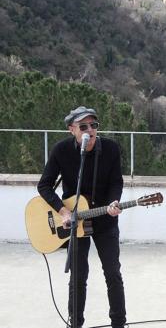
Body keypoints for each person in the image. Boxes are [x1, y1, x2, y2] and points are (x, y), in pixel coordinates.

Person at [37, 106, 126, 328]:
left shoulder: (112, 149)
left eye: (94, 125)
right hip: (74, 221)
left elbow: (117, 181)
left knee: (113, 273)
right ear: (72, 130)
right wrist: (62, 211)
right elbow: (44, 185)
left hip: (105, 220)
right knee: (78, 277)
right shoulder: (62, 150)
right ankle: (75, 323)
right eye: (83, 126)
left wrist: (114, 201)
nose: (90, 130)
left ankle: (119, 323)